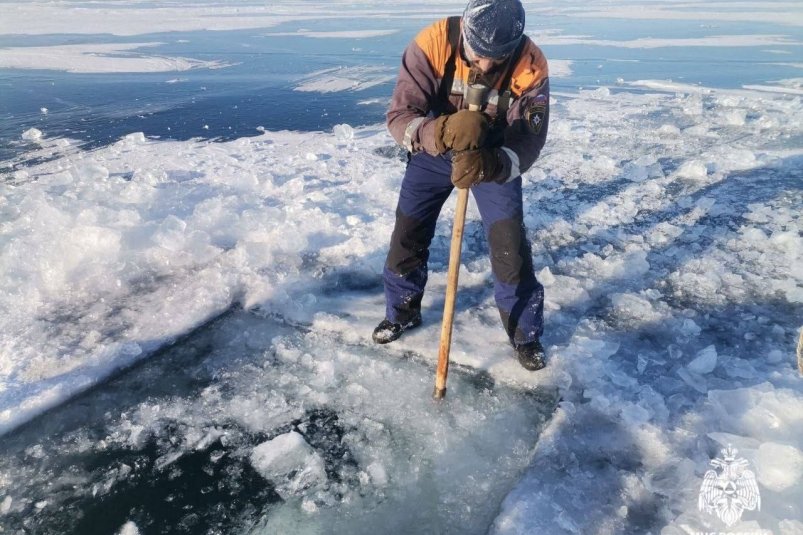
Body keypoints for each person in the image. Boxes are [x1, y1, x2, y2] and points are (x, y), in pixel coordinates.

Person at [373, 0, 550, 371]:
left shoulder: (530, 64)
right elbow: (399, 116)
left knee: (509, 245)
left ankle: (524, 333)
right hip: (432, 153)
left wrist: (491, 163)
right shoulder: (432, 43)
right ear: (466, 35)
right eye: (478, 54)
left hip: (491, 159)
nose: (485, 65)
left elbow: (528, 143)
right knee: (408, 231)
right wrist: (438, 132)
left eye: (496, 59)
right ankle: (401, 311)